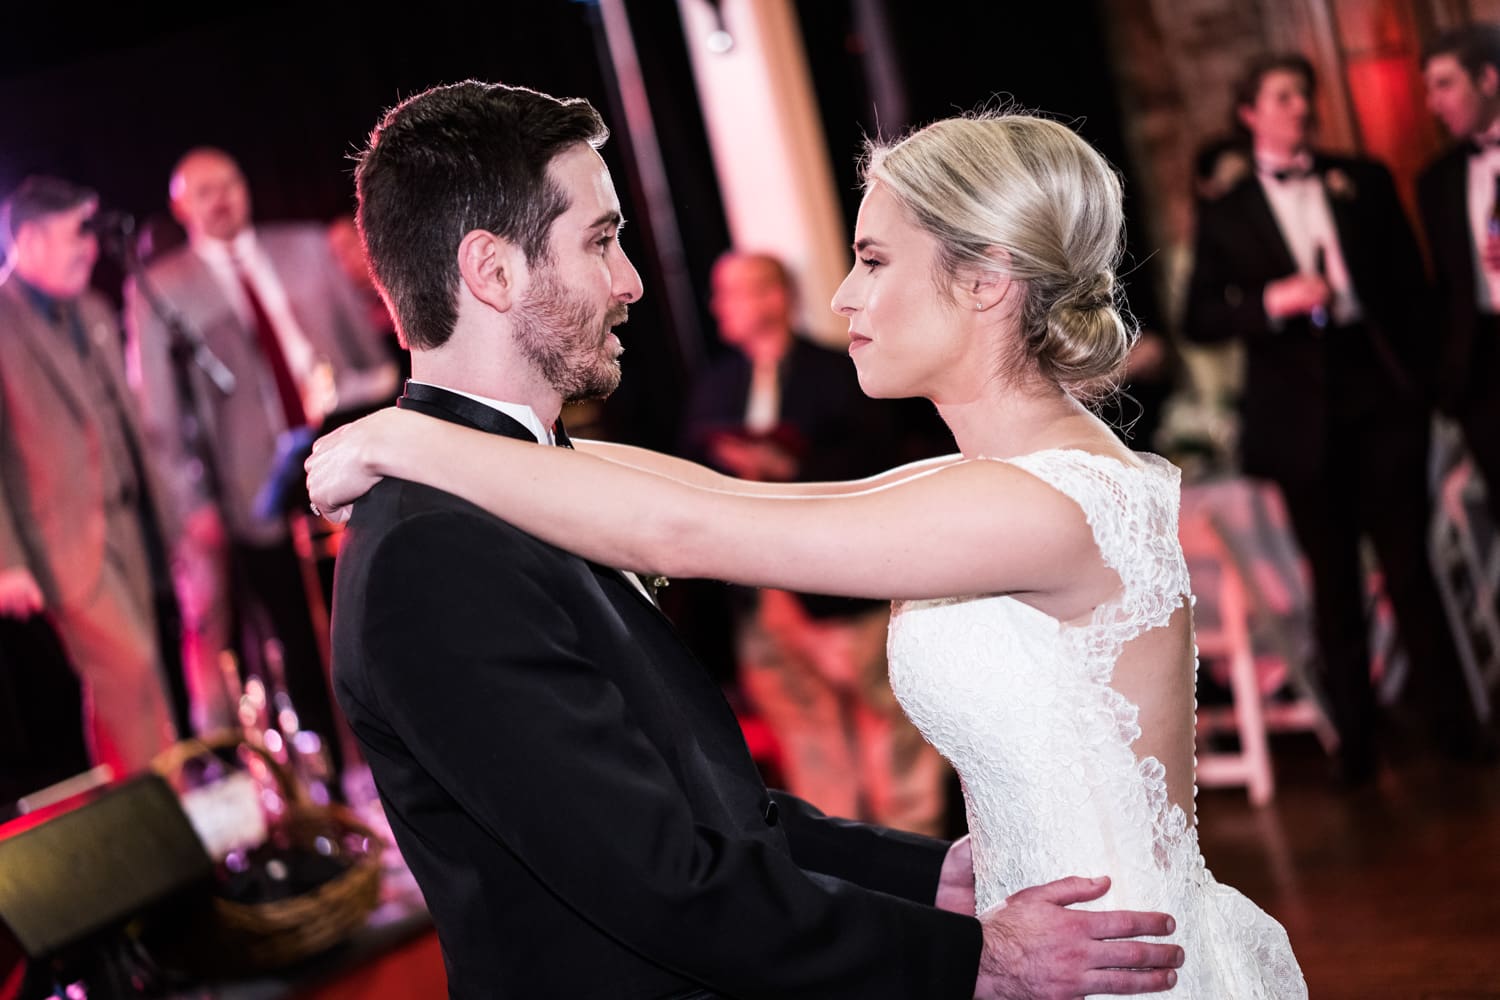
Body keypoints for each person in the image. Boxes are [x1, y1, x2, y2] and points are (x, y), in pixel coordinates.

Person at [310, 87, 1302, 997]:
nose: (839, 298)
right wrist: (937, 886)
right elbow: (698, 493)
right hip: (1055, 929)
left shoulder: (1035, 507)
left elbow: (690, 526)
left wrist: (400, 434)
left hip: (1106, 957)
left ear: (987, 281)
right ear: (489, 268)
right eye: (603, 239)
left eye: (872, 261)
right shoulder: (989, 484)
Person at [1184, 53, 1481, 784]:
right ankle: (1356, 744)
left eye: (1305, 96)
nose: (1301, 109)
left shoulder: (1363, 180)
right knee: (1334, 579)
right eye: (1283, 97)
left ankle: (1457, 730)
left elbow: (1415, 290)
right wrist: (1270, 304)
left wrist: (1423, 385)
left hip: (1378, 393)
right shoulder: (1228, 213)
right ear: (1251, 112)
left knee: (1411, 567)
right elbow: (1197, 316)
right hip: (1298, 412)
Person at [123, 148, 397, 757]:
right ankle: (333, 773)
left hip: (347, 451)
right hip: (256, 486)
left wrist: (355, 401)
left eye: (230, 182)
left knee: (377, 611)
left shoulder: (304, 246)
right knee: (298, 637)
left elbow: (374, 363)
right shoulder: (163, 290)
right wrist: (191, 504)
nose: (221, 197)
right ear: (181, 208)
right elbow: (160, 420)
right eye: (204, 191)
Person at [680, 249, 949, 836]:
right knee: (808, 739)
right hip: (759, 594)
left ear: (775, 299)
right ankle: (854, 865)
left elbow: (884, 464)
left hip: (840, 588)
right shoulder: (717, 382)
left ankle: (920, 856)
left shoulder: (838, 372)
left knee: (889, 728)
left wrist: (788, 468)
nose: (718, 305)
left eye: (735, 292)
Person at [0, 176, 182, 776]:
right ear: (26, 239)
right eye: (73, 232)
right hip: (64, 538)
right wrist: (6, 560)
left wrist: (170, 518)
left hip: (131, 525)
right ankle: (167, 834)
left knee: (137, 680)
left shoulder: (96, 309)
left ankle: (148, 826)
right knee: (127, 671)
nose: (88, 247)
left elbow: (127, 424)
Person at [1418, 24, 1500, 526]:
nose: (1432, 103)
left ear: (1488, 78)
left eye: (1445, 85)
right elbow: (1442, 292)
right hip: (1484, 370)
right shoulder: (1437, 180)